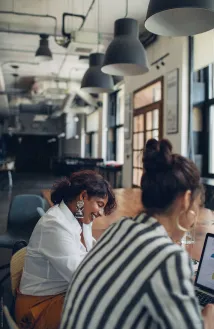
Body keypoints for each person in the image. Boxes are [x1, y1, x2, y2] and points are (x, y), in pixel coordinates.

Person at [60, 139, 214, 329]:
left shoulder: (119, 228)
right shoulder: (168, 258)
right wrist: (208, 319)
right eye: (198, 204)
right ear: (187, 199)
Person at [15, 170, 116, 329]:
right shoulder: (55, 225)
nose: (101, 213)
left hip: (62, 295)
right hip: (38, 308)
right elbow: (82, 277)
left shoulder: (81, 220)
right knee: (107, 310)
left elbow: (92, 252)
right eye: (100, 205)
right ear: (83, 197)